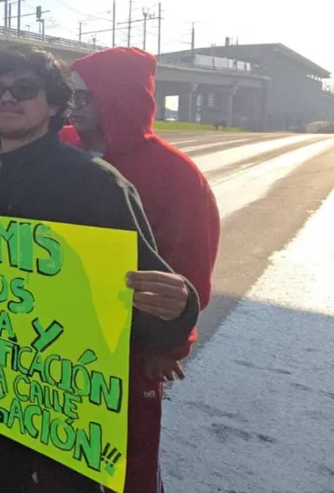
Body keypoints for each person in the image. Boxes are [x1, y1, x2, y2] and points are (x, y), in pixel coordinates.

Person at [0, 45, 199, 492]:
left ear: (55, 101)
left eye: (24, 88)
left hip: (64, 401)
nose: (7, 98)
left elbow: (148, 294)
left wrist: (180, 308)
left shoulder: (98, 183)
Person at [70, 47, 220, 493]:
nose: (72, 108)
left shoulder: (176, 175)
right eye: (70, 97)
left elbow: (190, 271)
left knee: (126, 465)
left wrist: (171, 345)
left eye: (84, 98)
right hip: (59, 333)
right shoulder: (59, 149)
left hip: (129, 349)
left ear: (116, 99)